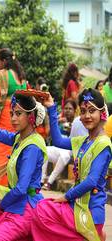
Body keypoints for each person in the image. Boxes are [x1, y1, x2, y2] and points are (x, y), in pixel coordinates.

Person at [32, 88, 111, 241]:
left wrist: (66, 197)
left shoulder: (103, 144)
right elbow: (58, 140)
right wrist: (51, 108)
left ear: (102, 113)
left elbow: (92, 181)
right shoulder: (84, 141)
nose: (87, 116)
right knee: (41, 207)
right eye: (83, 111)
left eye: (92, 111)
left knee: (42, 211)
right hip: (76, 204)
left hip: (89, 210)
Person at [0, 87, 47, 240]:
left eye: (18, 114)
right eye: (11, 114)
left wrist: (2, 204)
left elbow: (21, 188)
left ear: (31, 117)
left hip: (26, 207)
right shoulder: (19, 138)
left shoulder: (32, 146)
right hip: (16, 202)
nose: (13, 118)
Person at [0, 48, 27, 200]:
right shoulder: (22, 78)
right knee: (12, 151)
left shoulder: (0, 75)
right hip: (20, 119)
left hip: (5, 117)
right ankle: (7, 187)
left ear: (3, 61)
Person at [41, 100, 78, 190]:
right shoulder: (57, 118)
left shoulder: (78, 122)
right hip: (57, 147)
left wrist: (70, 129)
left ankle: (49, 182)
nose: (68, 111)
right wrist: (56, 122)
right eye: (66, 108)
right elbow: (48, 133)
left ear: (75, 111)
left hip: (69, 150)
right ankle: (41, 180)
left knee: (64, 156)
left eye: (70, 109)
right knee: (43, 150)